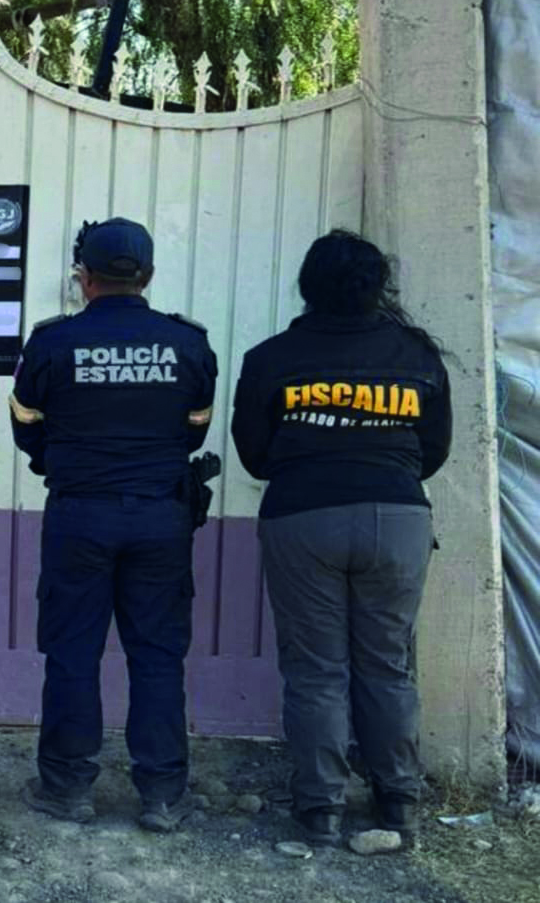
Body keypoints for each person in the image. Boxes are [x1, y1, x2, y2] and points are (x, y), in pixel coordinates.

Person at [231, 229, 451, 847]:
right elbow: (434, 450)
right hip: (397, 518)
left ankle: (321, 809)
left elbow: (254, 452)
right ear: (378, 287)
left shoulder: (271, 358)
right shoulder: (417, 355)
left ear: (307, 286)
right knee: (387, 665)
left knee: (315, 670)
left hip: (303, 516)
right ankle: (398, 801)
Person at [10, 217, 218, 832]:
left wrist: (69, 464)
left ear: (85, 277)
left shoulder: (52, 342)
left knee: (72, 651)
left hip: (79, 514)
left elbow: (27, 429)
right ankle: (162, 795)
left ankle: (66, 788)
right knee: (157, 655)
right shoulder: (187, 344)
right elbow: (195, 430)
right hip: (161, 516)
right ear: (147, 276)